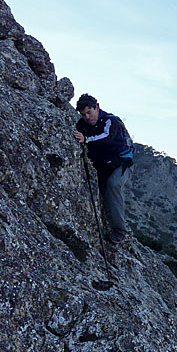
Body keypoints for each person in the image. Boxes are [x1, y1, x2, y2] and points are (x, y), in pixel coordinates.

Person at [73, 94, 134, 244]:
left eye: (89, 112)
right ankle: (109, 226)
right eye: (83, 114)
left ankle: (120, 231)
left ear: (97, 107)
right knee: (103, 195)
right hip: (103, 166)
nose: (87, 117)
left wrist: (86, 139)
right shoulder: (82, 124)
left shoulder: (111, 121)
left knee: (113, 185)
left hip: (121, 164)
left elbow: (106, 137)